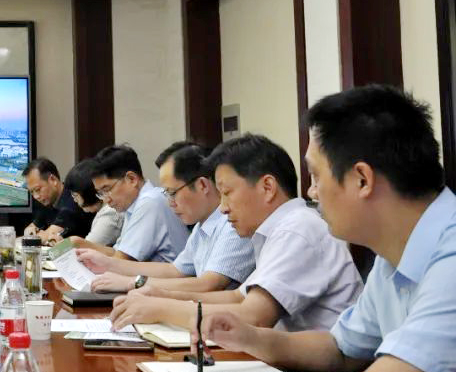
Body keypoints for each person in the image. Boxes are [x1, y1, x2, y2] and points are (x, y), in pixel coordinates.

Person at [203, 86, 456, 372]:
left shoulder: (451, 251)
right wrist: (254, 338)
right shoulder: (392, 255)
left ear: (362, 179)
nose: (311, 192)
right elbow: (342, 349)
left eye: (316, 176)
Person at [109, 133, 362, 334]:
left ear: (267, 187)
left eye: (227, 193)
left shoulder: (297, 229)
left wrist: (162, 308)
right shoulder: (277, 230)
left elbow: (253, 317)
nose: (223, 207)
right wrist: (163, 295)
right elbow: (237, 298)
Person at [81, 141, 254, 293]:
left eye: (172, 193)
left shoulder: (233, 223)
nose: (170, 203)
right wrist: (108, 263)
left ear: (202, 185)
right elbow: (175, 270)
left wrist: (133, 283)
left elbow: (208, 284)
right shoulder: (202, 225)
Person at [81, 145, 189, 262]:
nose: (106, 200)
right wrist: (80, 245)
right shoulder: (134, 205)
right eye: (100, 193)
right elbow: (119, 252)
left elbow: (121, 261)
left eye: (107, 190)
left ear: (132, 179)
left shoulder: (149, 202)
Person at [21, 157, 94, 242]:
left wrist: (37, 235)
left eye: (38, 190)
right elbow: (30, 229)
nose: (36, 196)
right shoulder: (47, 201)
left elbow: (45, 238)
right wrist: (31, 230)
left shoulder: (73, 200)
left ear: (53, 180)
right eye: (31, 192)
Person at [62, 158, 123, 248]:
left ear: (88, 192)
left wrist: (59, 247)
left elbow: (86, 247)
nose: (75, 200)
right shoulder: (102, 210)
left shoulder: (110, 212)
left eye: (75, 195)